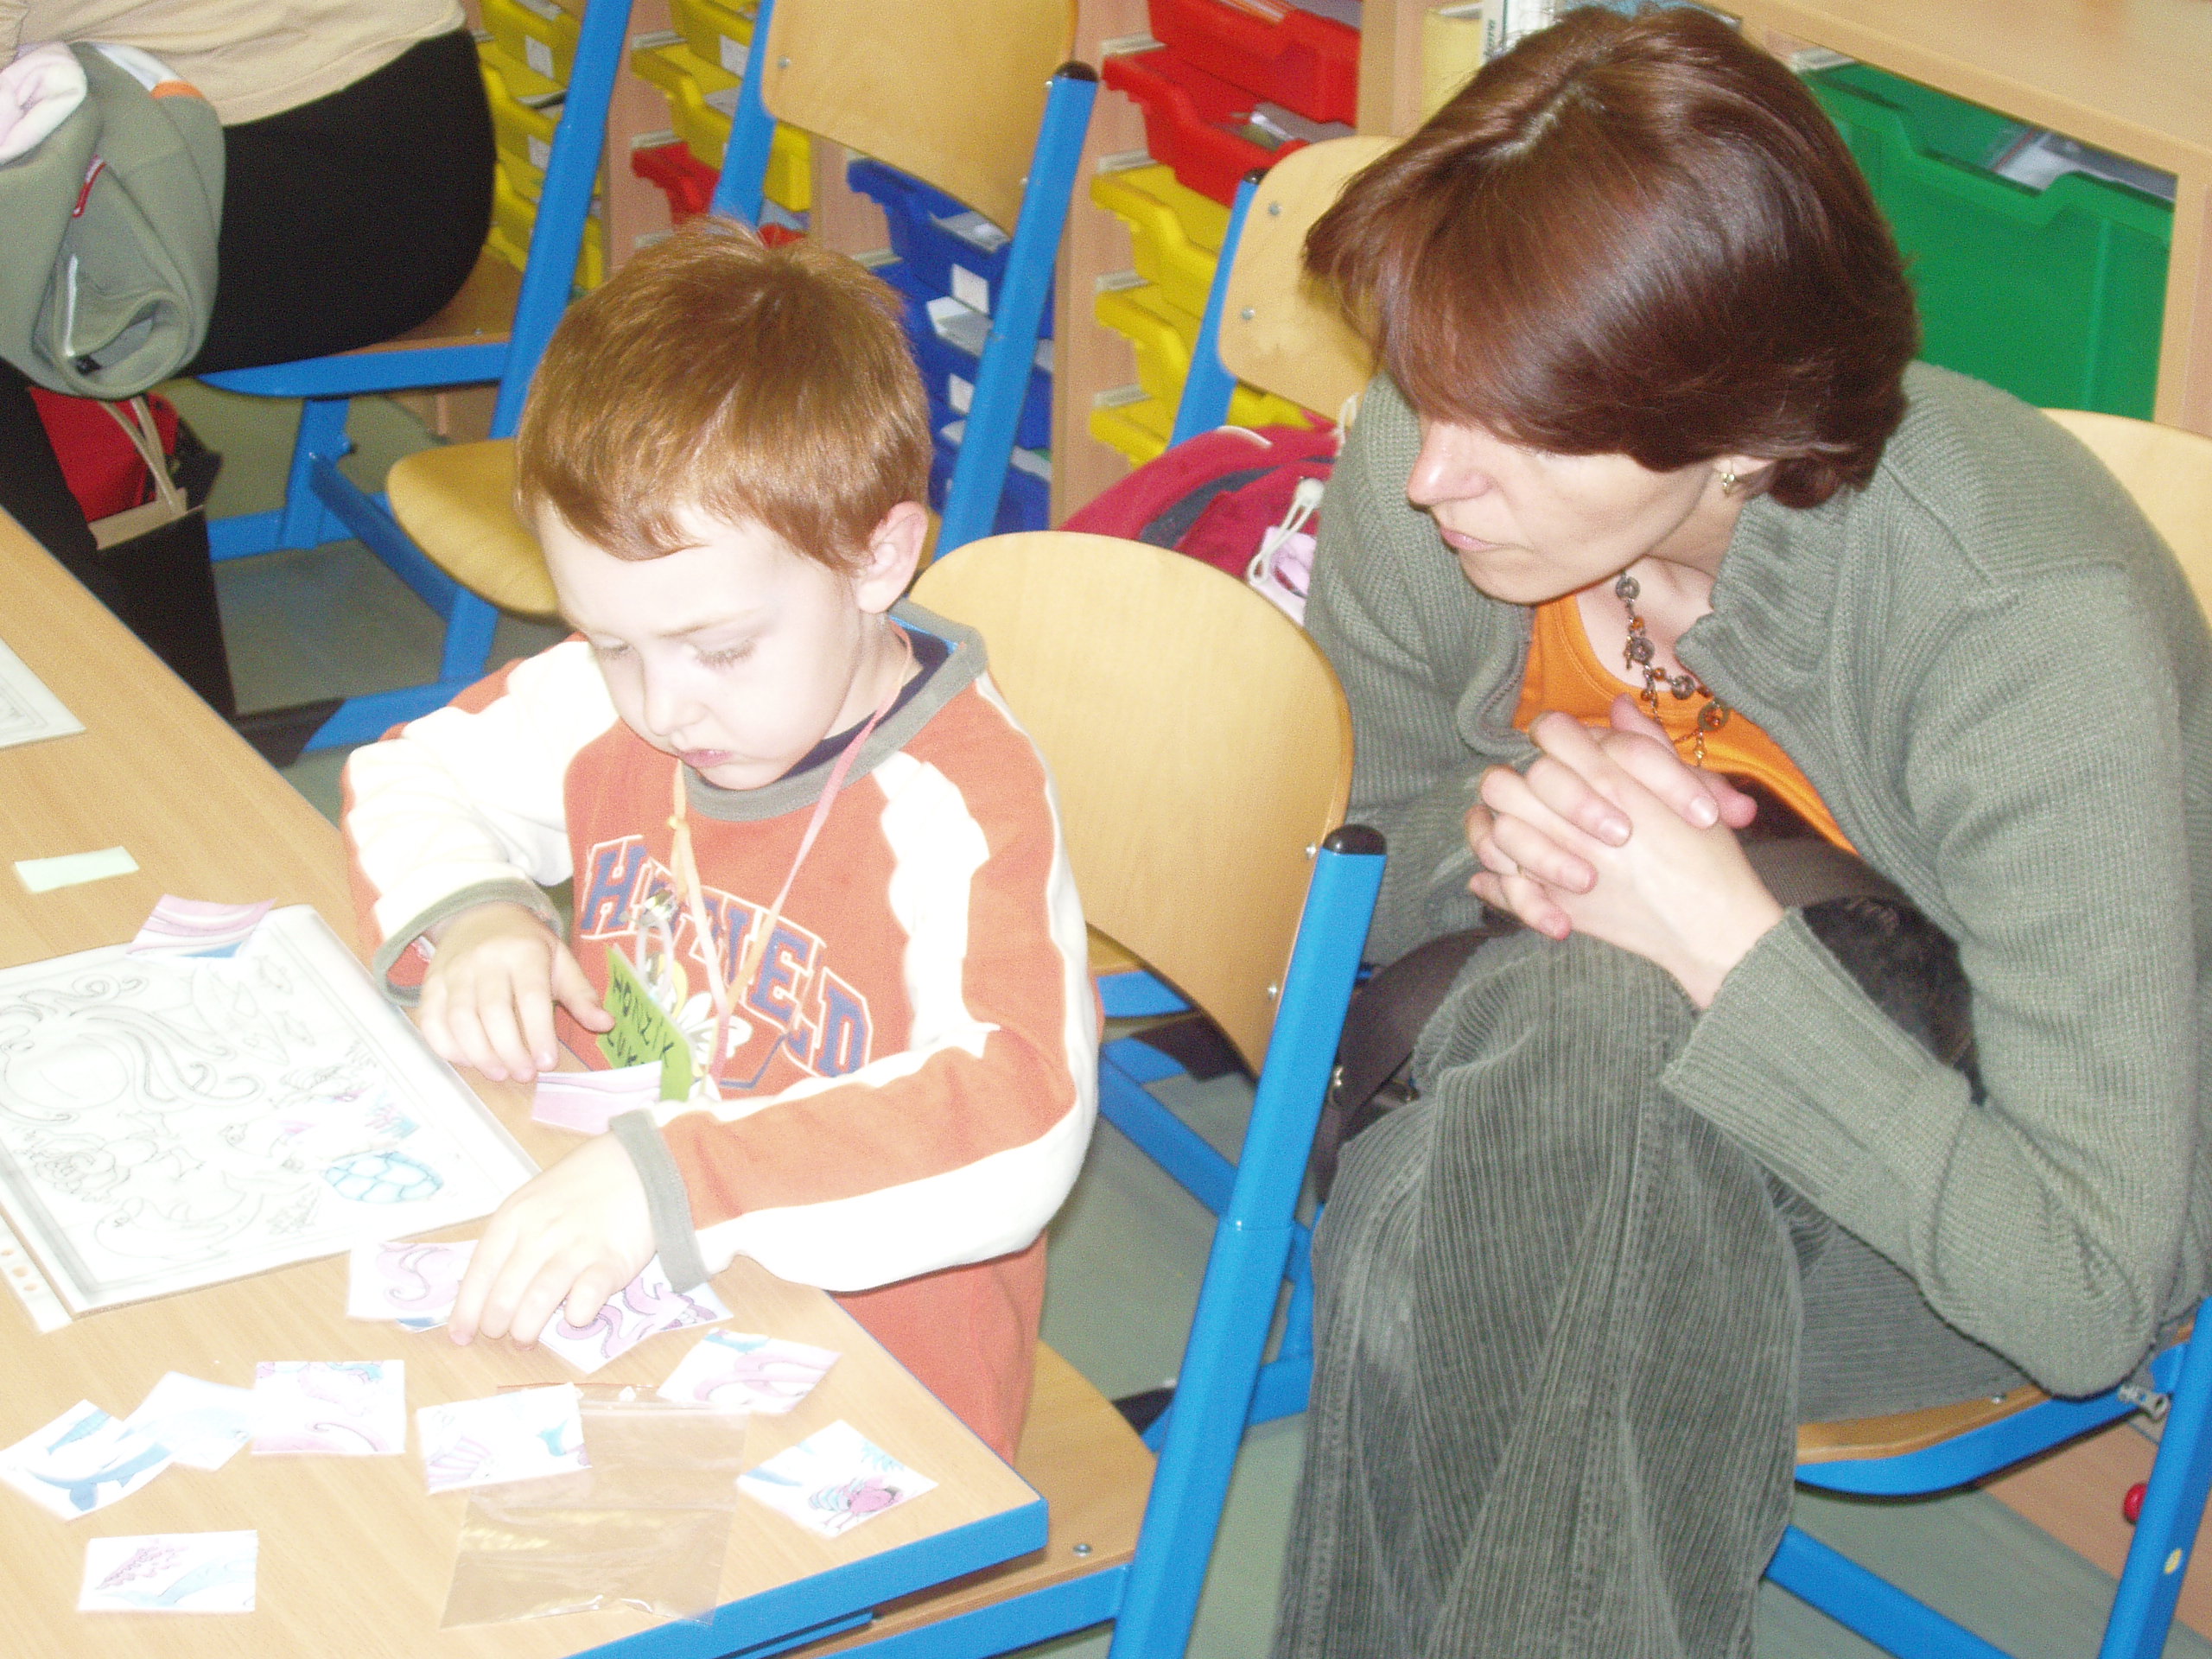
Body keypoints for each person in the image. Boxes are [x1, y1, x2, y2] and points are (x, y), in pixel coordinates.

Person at [1273, 7, 2212, 1655]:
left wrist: (1724, 945)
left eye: (1518, 423)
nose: (1430, 477)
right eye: (1426, 386)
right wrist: (1494, 836)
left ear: (1750, 429)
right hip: (1531, 1109)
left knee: (1466, 1205)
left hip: (1941, 1216)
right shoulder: (1436, 466)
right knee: (1578, 1057)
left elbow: (2081, 1289)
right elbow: (1343, 857)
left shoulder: (2022, 625)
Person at [341, 221, 1098, 1463]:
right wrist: (477, 913)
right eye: (611, 642)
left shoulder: (959, 803)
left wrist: (681, 1185)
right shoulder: (637, 682)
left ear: (877, 557)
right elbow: (409, 773)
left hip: (877, 1379)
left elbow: (1021, 1112)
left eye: (722, 649)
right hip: (628, 1272)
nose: (662, 708)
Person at [0, 0, 493, 595]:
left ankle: (73, 625)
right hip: (313, 121)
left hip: (355, 170)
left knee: (16, 309)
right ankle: (63, 611)